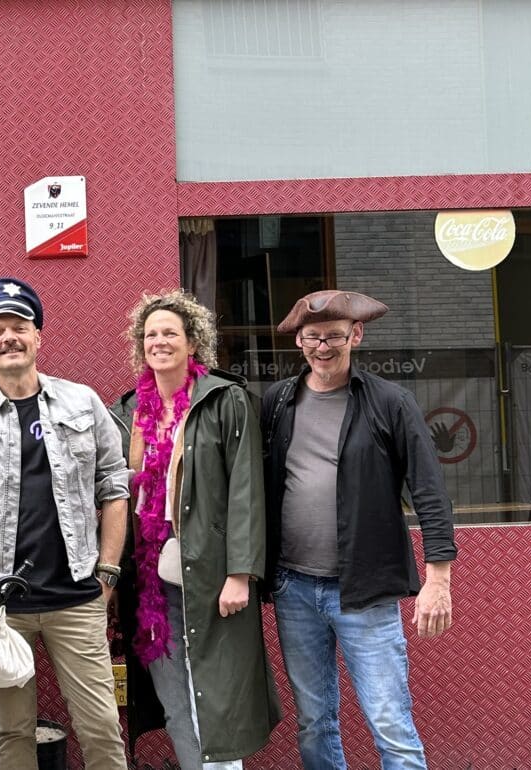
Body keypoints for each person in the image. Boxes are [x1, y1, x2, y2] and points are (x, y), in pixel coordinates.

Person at [0, 277, 130, 770]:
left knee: (101, 727)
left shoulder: (82, 401)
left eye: (19, 326)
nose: (9, 338)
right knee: (12, 731)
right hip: (2, 608)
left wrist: (108, 573)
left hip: (77, 598)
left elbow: (114, 487)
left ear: (38, 335)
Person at [260, 290, 457, 770]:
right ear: (299, 342)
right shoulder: (277, 401)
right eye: (312, 337)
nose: (322, 347)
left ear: (356, 335)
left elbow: (429, 491)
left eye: (334, 336)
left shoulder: (390, 402)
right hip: (294, 587)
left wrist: (438, 579)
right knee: (314, 721)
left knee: (390, 722)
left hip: (365, 590)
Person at [110, 290, 280, 770]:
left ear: (192, 341)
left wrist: (241, 573)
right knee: (174, 697)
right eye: (151, 335)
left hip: (211, 571)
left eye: (170, 333)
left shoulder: (223, 400)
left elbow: (247, 490)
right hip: (151, 577)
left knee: (216, 695)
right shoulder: (128, 411)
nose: (159, 342)